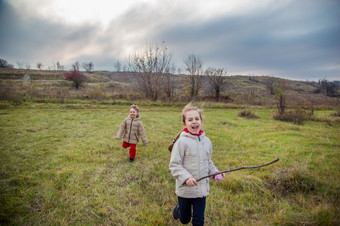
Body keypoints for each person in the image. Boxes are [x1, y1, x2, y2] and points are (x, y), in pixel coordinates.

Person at [169, 102, 224, 225]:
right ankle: (179, 210)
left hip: (201, 190)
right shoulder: (181, 142)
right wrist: (186, 177)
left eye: (197, 119)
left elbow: (208, 161)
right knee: (185, 220)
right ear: (184, 124)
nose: (194, 122)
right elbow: (175, 165)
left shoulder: (207, 142)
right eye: (190, 119)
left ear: (201, 121)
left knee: (198, 221)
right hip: (185, 190)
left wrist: (215, 172)